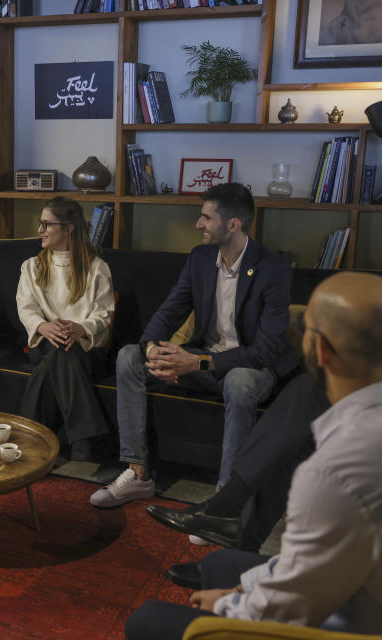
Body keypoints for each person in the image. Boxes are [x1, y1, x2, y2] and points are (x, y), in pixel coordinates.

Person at [125, 272, 382, 640]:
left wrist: (231, 603)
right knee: (219, 561)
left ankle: (225, 511)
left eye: (304, 330)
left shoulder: (333, 468)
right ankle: (228, 517)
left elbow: (305, 593)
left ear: (321, 351)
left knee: (146, 619)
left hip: (368, 620)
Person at [90, 183, 296, 509]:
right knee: (129, 356)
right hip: (202, 358)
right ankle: (138, 473)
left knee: (240, 382)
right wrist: (151, 349)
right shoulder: (200, 258)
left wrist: (197, 364)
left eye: (205, 217)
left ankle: (226, 500)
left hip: (249, 368)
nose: (198, 224)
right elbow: (171, 309)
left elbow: (265, 351)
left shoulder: (273, 269)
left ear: (233, 224)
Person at [16, 197, 114, 461]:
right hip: (43, 342)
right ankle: (83, 442)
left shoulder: (97, 268)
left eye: (47, 225)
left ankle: (28, 437)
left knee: (63, 352)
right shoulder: (32, 266)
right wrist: (43, 326)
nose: (40, 230)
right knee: (58, 347)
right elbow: (26, 308)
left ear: (68, 228)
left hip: (86, 347)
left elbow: (104, 314)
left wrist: (80, 329)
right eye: (41, 224)